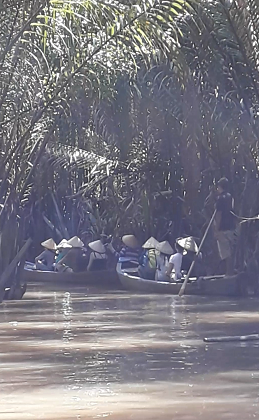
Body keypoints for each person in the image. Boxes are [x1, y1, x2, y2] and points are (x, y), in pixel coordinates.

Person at [214, 177, 236, 275]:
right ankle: (230, 271)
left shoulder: (220, 198)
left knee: (225, 253)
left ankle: (229, 273)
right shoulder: (230, 197)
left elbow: (219, 214)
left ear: (219, 187)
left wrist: (216, 229)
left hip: (222, 228)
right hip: (231, 227)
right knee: (230, 251)